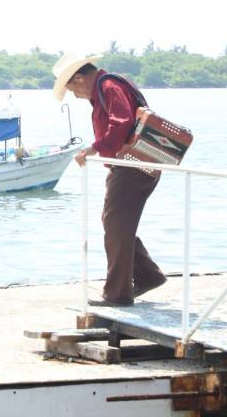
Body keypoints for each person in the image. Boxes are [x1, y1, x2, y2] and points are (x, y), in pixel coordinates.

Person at [53, 51, 166, 307]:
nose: (76, 96)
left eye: (72, 89)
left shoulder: (108, 86)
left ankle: (118, 294)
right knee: (114, 223)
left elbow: (121, 122)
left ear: (80, 79)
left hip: (131, 166)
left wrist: (94, 147)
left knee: (116, 225)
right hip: (128, 165)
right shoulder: (106, 87)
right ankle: (147, 275)